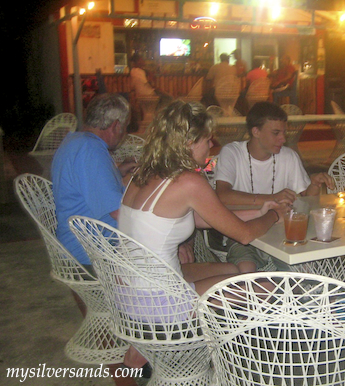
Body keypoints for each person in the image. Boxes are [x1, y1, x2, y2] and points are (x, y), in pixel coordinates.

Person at [119, 99, 288, 295]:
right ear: (189, 143)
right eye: (207, 139)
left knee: (235, 270)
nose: (211, 145)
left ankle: (223, 323)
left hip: (128, 287)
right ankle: (222, 324)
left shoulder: (140, 174)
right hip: (157, 297)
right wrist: (274, 215)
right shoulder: (189, 182)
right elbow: (245, 235)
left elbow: (200, 219)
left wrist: (258, 212)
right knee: (267, 286)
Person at [214, 101, 335, 273]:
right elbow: (222, 196)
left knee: (305, 269)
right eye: (276, 133)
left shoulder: (289, 156)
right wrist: (271, 198)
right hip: (243, 231)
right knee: (245, 268)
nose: (283, 139)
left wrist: (314, 184)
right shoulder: (232, 153)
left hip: (282, 232)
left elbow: (306, 201)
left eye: (284, 133)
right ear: (256, 131)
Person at [52, 93, 136, 273]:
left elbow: (87, 183)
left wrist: (119, 171)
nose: (124, 134)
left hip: (80, 246)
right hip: (91, 256)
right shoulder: (90, 150)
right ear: (116, 126)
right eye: (125, 128)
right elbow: (119, 213)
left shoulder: (75, 140)